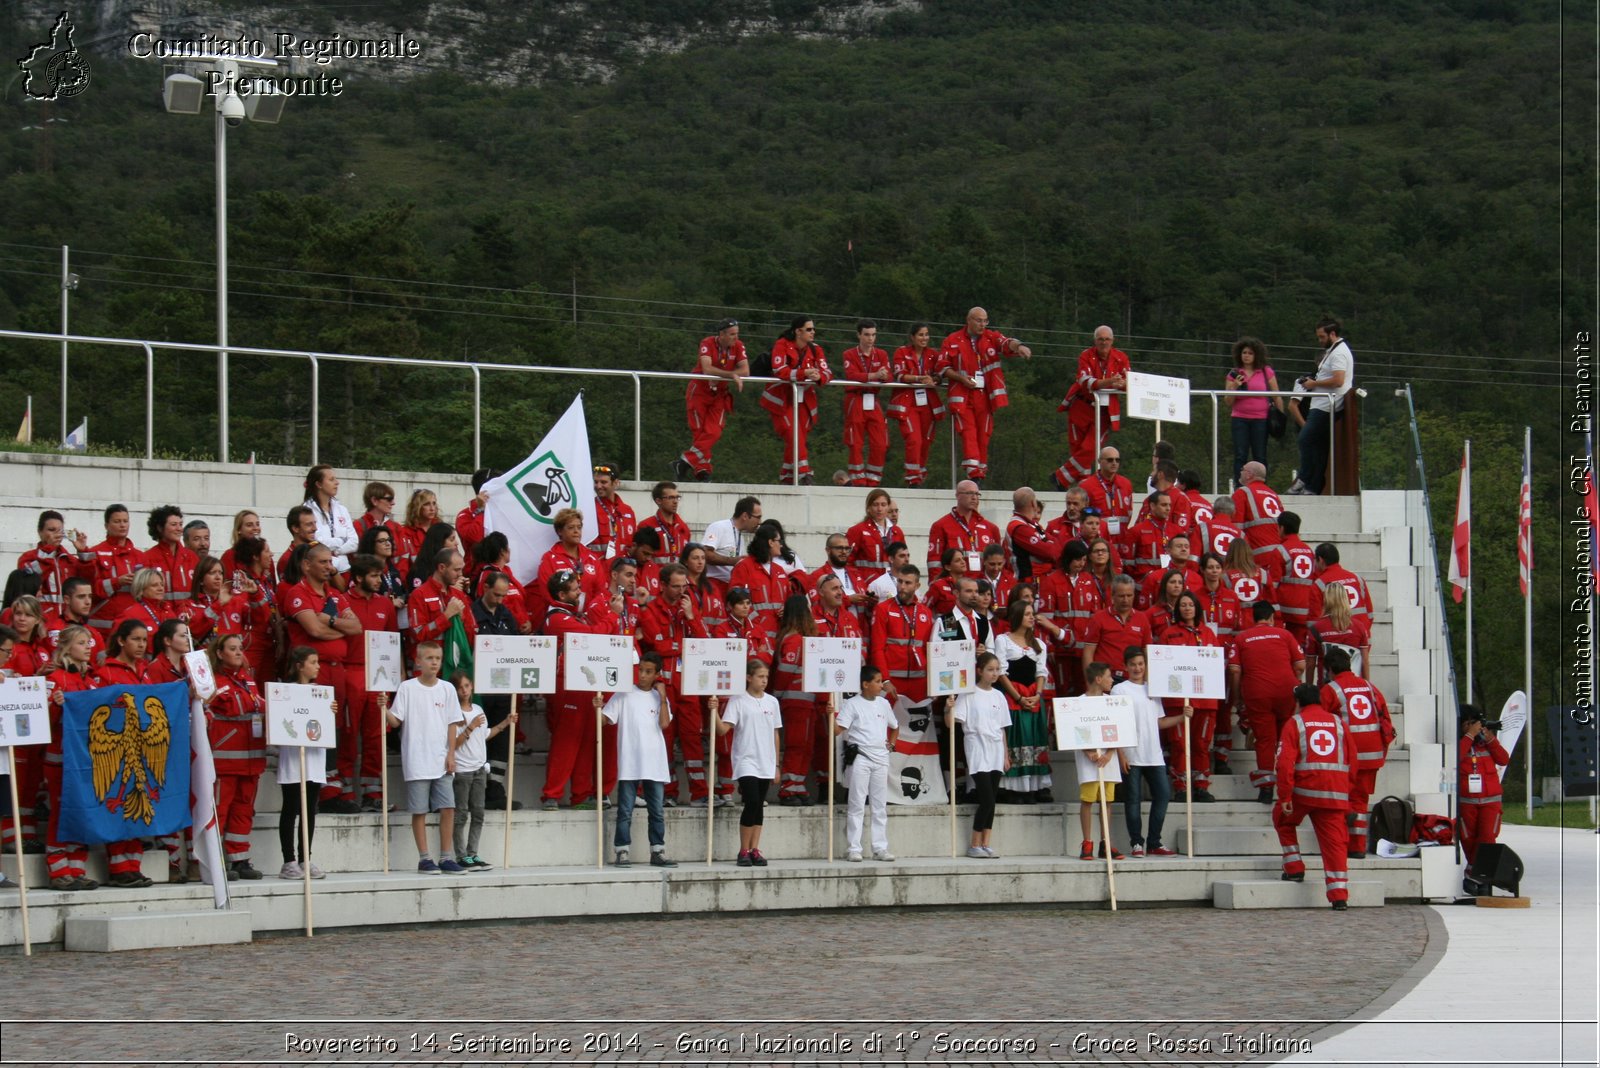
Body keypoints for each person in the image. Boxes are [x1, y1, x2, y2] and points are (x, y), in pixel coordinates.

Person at [385, 641, 466, 874]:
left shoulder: (447, 689)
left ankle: (446, 856)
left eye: (437, 658)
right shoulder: (407, 688)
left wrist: (451, 754)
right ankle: (424, 858)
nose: (434, 662)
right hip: (417, 758)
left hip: (441, 759)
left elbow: (453, 724)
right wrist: (383, 709)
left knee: (448, 807)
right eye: (429, 658)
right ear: (418, 661)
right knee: (419, 810)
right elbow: (395, 721)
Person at [1275, 684, 1354, 909]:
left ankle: (1294, 868)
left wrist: (1285, 796)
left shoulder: (1295, 723)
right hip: (1335, 793)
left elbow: (1285, 762)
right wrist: (1346, 790)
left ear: (1298, 702)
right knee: (1335, 844)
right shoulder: (1339, 723)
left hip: (1304, 792)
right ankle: (1339, 895)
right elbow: (1353, 759)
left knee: (1282, 818)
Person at [637, 563, 709, 805]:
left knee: (692, 740)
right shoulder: (651, 608)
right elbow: (655, 644)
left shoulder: (689, 606)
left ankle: (699, 793)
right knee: (664, 739)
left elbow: (702, 644)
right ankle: (668, 792)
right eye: (676, 586)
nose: (681, 591)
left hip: (688, 683)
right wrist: (681, 648)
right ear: (663, 585)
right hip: (663, 685)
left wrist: (690, 616)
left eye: (684, 586)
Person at [539, 570, 607, 809]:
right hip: (565, 683)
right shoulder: (557, 618)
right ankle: (552, 794)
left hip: (581, 681)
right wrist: (612, 617)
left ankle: (580, 794)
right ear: (561, 594)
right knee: (566, 740)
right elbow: (591, 636)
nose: (580, 592)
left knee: (586, 738)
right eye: (575, 589)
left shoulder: (570, 615)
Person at [604, 652, 678, 867]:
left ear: (657, 674)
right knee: (625, 810)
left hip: (654, 763)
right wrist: (598, 706)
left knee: (656, 811)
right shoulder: (623, 694)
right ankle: (622, 850)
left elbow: (664, 724)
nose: (643, 675)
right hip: (630, 761)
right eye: (640, 670)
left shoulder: (659, 698)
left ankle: (657, 851)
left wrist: (663, 697)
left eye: (648, 672)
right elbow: (605, 720)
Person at [941, 307, 1031, 483]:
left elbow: (1006, 343)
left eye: (985, 321)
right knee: (968, 433)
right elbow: (942, 367)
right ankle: (973, 475)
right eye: (979, 320)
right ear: (969, 320)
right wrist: (961, 378)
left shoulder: (991, 337)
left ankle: (980, 474)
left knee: (984, 434)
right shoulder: (952, 340)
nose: (982, 324)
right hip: (963, 395)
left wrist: (1019, 346)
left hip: (985, 396)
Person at [41, 625, 100, 888]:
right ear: (65, 647)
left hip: (87, 760)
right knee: (62, 813)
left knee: (83, 812)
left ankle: (76, 869)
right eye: (81, 642)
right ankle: (58, 870)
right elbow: (42, 723)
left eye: (89, 642)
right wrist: (55, 705)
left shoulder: (90, 680)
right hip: (61, 758)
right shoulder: (55, 678)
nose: (88, 646)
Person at [1229, 601, 1306, 803]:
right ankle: (1287, 787)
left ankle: (1266, 789)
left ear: (1253, 618)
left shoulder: (1242, 638)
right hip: (1286, 692)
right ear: (1272, 618)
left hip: (1257, 693)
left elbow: (1235, 670)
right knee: (1286, 740)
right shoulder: (1285, 634)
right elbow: (1300, 665)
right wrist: (1293, 682)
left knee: (1265, 741)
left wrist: (1237, 698)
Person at [1319, 647, 1393, 857]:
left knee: (1343, 800)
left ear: (1330, 670)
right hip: (1373, 755)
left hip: (1349, 756)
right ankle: (1358, 847)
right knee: (1360, 800)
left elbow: (1320, 721)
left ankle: (1342, 839)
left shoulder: (1331, 690)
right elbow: (1385, 717)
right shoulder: (1370, 687)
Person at [1113, 647, 1186, 857]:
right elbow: (1116, 723)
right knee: (1133, 799)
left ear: (1146, 666)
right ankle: (1136, 842)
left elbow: (1160, 722)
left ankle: (1155, 842)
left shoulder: (1153, 690)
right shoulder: (1120, 690)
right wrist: (1121, 753)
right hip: (1131, 753)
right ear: (1126, 666)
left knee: (1163, 795)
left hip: (1154, 754)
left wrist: (1182, 717)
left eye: (1141, 664)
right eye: (1133, 664)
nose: (1137, 668)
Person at [206, 633, 267, 880]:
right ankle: (215, 860)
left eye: (241, 648)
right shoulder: (212, 682)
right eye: (233, 648)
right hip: (226, 760)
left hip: (252, 761)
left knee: (244, 811)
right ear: (220, 654)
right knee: (220, 811)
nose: (239, 652)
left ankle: (239, 859)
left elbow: (261, 707)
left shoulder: (248, 681)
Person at [341, 554, 399, 811]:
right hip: (350, 672)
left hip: (378, 675)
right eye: (374, 576)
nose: (379, 580)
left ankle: (373, 793)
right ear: (359, 577)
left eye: (380, 575)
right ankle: (343, 792)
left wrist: (394, 678)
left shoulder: (385, 604)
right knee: (349, 734)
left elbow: (393, 640)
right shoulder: (342, 601)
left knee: (376, 737)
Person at [1158, 591, 1222, 802]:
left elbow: (1216, 665)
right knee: (1179, 743)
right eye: (1183, 605)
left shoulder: (1208, 633)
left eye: (1190, 604)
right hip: (1178, 701)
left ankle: (1201, 786)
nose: (1187, 608)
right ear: (1178, 609)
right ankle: (1181, 786)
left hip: (1205, 700)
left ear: (1197, 608)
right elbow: (1162, 665)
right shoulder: (1169, 633)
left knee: (1201, 744)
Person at [717, 658, 781, 866]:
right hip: (746, 759)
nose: (764, 681)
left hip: (766, 760)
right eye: (760, 677)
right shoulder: (738, 700)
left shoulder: (772, 701)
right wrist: (714, 712)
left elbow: (775, 733)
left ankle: (754, 849)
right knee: (752, 800)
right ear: (749, 677)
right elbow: (723, 729)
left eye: (766, 677)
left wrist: (777, 765)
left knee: (759, 805)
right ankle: (743, 850)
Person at [450, 671, 515, 870]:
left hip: (479, 769)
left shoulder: (478, 708)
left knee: (478, 813)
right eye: (461, 687)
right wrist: (470, 727)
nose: (464, 690)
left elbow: (485, 735)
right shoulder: (453, 712)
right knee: (461, 814)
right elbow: (453, 743)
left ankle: (473, 853)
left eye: (467, 686)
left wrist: (505, 723)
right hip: (462, 770)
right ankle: (461, 856)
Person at [276, 645, 330, 880]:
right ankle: (288, 860)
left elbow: (325, 725)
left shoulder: (321, 692)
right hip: (293, 758)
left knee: (310, 810)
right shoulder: (285, 691)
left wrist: (331, 711)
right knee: (291, 808)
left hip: (315, 758)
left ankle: (305, 857)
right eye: (313, 662)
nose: (317, 666)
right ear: (300, 666)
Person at [948, 652, 1010, 858]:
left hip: (996, 748)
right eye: (990, 670)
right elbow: (952, 723)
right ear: (980, 670)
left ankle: (985, 842)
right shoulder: (968, 694)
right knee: (987, 799)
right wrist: (949, 708)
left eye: (997, 670)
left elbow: (1002, 728)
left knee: (993, 797)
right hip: (976, 746)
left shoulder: (999, 696)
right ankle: (974, 844)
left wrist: (1006, 755)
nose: (994, 674)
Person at [1054, 325, 1131, 489]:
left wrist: (1120, 383)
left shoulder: (1121, 358)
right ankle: (1084, 487)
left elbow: (1130, 383)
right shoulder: (1086, 355)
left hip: (1105, 411)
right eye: (1100, 339)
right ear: (1095, 340)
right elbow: (1085, 381)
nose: (1104, 343)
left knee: (1091, 448)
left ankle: (1061, 477)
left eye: (1107, 339)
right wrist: (1110, 382)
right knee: (1078, 448)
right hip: (1081, 406)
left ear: (1112, 340)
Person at [759, 315, 833, 485]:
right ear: (797, 331)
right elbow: (780, 370)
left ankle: (787, 475)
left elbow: (827, 372)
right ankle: (805, 473)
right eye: (809, 329)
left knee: (797, 437)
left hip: (803, 399)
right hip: (781, 398)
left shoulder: (815, 349)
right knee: (793, 433)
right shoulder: (782, 345)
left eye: (813, 329)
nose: (813, 332)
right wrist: (804, 373)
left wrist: (818, 376)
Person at [836, 665, 898, 863]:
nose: (881, 685)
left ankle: (880, 847)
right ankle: (854, 847)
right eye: (878, 681)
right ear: (865, 684)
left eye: (881, 681)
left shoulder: (883, 704)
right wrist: (829, 715)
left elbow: (895, 726)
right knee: (857, 804)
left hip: (881, 758)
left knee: (879, 805)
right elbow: (837, 730)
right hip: (861, 756)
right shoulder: (852, 704)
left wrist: (892, 744)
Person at [677, 317, 749, 481]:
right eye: (732, 334)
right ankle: (703, 471)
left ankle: (685, 461)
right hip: (700, 391)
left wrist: (729, 375)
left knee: (714, 432)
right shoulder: (708, 343)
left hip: (720, 393)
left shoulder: (738, 345)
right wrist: (731, 374)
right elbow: (706, 368)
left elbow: (745, 370)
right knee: (700, 432)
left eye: (737, 334)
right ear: (721, 334)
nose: (735, 337)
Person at [994, 600, 1051, 802]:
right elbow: (1001, 672)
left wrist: (1038, 695)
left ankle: (1035, 786)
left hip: (1033, 696)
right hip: (1013, 695)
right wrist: (1018, 697)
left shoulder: (1039, 645)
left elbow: (1041, 673)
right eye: (1027, 614)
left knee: (1035, 738)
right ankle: (1014, 787)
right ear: (1018, 616)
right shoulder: (1003, 641)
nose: (1032, 617)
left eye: (1032, 614)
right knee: (1017, 736)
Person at [1290, 317, 1354, 496]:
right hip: (1321, 404)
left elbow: (1338, 380)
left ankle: (1304, 478)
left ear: (1332, 334)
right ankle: (1312, 485)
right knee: (1316, 445)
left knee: (1305, 439)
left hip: (1326, 406)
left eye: (1322, 336)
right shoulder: (1333, 351)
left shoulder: (1339, 353)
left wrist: (1313, 384)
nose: (1320, 341)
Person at [771, 593, 820, 805]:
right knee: (797, 744)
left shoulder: (800, 638)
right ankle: (789, 787)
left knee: (806, 745)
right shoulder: (794, 640)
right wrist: (778, 696)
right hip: (795, 700)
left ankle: (797, 785)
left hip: (805, 700)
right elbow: (786, 670)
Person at [1075, 662, 1125, 861]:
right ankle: (1087, 842)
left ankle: (1106, 843)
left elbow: (1118, 728)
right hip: (1089, 760)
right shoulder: (1079, 702)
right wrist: (1087, 750)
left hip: (1107, 759)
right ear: (1098, 679)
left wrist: (1110, 753)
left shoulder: (1111, 702)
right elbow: (1074, 728)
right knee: (1088, 800)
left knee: (1107, 802)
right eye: (1108, 676)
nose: (1112, 680)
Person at [888, 322, 945, 486]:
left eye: (926, 335)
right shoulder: (902, 352)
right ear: (912, 337)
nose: (924, 338)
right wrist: (920, 379)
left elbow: (941, 374)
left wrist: (934, 379)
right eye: (921, 335)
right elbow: (899, 375)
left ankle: (920, 473)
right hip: (908, 403)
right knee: (914, 440)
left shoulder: (933, 355)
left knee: (926, 440)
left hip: (928, 403)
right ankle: (912, 477)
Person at [1224, 337, 1286, 483]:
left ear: (1256, 355)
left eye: (1250, 353)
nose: (1246, 355)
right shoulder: (1234, 373)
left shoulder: (1266, 372)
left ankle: (1261, 485)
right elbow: (1228, 401)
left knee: (1260, 454)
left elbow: (1276, 395)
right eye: (1244, 352)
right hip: (1240, 418)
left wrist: (1280, 417)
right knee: (1240, 454)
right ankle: (1240, 486)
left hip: (1261, 418)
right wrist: (1234, 386)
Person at [840, 318, 892, 486]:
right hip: (855, 399)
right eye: (867, 335)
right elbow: (852, 375)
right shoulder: (849, 354)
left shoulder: (882, 354)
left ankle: (873, 480)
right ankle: (858, 480)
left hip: (872, 399)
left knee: (881, 442)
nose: (870, 338)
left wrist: (883, 376)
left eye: (873, 335)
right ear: (859, 335)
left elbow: (889, 375)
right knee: (855, 442)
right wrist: (874, 376)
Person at [1457, 705, 1509, 866]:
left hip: (1490, 801)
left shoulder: (1486, 743)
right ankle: (1475, 871)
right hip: (1467, 802)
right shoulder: (1460, 743)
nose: (1475, 727)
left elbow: (1503, 759)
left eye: (1476, 723)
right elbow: (1455, 758)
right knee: (1468, 839)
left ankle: (1479, 872)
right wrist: (1469, 736)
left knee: (1487, 837)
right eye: (1470, 723)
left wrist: (1491, 739)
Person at [535, 508, 608, 615]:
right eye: (571, 527)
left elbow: (601, 591)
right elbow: (547, 594)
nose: (576, 531)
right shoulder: (549, 559)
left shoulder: (592, 557)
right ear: (560, 531)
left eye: (579, 527)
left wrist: (591, 614)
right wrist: (569, 616)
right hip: (562, 617)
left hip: (590, 618)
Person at [407, 548, 474, 663]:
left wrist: (461, 618)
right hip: (429, 668)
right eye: (456, 570)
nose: (460, 574)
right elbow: (418, 634)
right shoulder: (419, 595)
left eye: (461, 570)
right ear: (442, 568)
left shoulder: (459, 595)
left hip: (455, 665)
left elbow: (471, 633)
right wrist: (446, 616)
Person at [83, 503, 142, 634]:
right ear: (106, 525)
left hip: (131, 625)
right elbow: (89, 589)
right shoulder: (95, 553)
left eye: (125, 521)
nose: (122, 525)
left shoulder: (140, 556)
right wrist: (117, 582)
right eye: (117, 521)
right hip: (101, 626)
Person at [926, 481, 1003, 580]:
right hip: (956, 587)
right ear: (957, 496)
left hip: (983, 588)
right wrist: (939, 587)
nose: (974, 497)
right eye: (969, 493)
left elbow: (999, 561)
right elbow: (934, 563)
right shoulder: (941, 526)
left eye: (976, 494)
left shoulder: (991, 528)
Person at [1081, 575, 1150, 683]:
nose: (1125, 600)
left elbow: (1147, 653)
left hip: (1132, 679)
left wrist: (1146, 682)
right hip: (1105, 680)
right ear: (1112, 596)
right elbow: (1088, 653)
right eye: (1121, 596)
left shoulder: (1142, 618)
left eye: (1129, 595)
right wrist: (1091, 683)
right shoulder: (1098, 618)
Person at [727, 523, 790, 633]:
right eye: (779, 541)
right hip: (755, 636)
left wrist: (787, 610)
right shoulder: (744, 567)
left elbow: (789, 598)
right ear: (770, 542)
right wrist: (756, 625)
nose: (781, 545)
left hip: (779, 636)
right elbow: (735, 600)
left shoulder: (780, 571)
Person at [1303, 583, 1371, 685]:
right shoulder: (1359, 627)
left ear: (1326, 600)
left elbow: (1310, 664)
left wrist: (1309, 688)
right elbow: (1365, 661)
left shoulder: (1316, 628)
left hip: (1327, 687)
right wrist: (1367, 687)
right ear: (1345, 599)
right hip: (1353, 687)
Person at [1231, 461, 1286, 582]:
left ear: (1249, 475)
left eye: (1242, 469)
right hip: (1278, 555)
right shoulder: (1273, 495)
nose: (1240, 472)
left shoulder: (1242, 493)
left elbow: (1235, 529)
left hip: (1257, 556)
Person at [16, 510, 80, 611]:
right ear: (40, 532)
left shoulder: (70, 560)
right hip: (41, 617)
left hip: (67, 620)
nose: (56, 534)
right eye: (51, 530)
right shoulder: (27, 558)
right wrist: (48, 550)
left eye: (60, 531)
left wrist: (83, 551)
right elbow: (29, 582)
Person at [302, 464, 359, 577]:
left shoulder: (342, 509)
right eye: (331, 479)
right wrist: (342, 540)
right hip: (321, 571)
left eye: (336, 479)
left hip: (344, 569)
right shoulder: (307, 510)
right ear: (319, 484)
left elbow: (354, 542)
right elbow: (317, 542)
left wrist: (337, 551)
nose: (337, 482)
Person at [1274, 511, 1319, 644]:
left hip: (1285, 612)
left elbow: (1273, 585)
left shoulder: (1280, 550)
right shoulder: (1309, 551)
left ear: (1281, 528)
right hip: (1306, 609)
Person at [143, 504, 199, 610]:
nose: (179, 529)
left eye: (180, 524)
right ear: (160, 528)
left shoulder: (191, 557)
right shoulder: (148, 558)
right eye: (174, 524)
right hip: (161, 617)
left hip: (189, 617)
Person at [1007, 487, 1067, 584]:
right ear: (1033, 503)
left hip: (1040, 579)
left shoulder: (1032, 524)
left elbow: (1056, 545)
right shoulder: (1019, 527)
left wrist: (1049, 544)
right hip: (1027, 582)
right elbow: (1050, 552)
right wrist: (1049, 544)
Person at [701, 496, 762, 584]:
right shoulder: (719, 527)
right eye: (758, 517)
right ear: (745, 516)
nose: (760, 522)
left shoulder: (740, 535)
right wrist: (732, 561)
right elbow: (705, 554)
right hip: (714, 585)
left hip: (731, 586)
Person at [1079, 448, 1134, 543]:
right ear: (1099, 461)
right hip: (1098, 541)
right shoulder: (1086, 486)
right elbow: (1081, 516)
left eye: (1117, 460)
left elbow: (1129, 513)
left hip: (1122, 540)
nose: (1114, 463)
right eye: (1110, 460)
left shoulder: (1126, 484)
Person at [1312, 543, 1374, 626]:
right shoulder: (1357, 579)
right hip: (1361, 633)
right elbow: (1369, 612)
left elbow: (1314, 619)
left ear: (1320, 560)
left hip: (1335, 636)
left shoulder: (1319, 584)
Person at [714, 588, 773, 666]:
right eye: (741, 603)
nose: (746, 607)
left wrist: (746, 657)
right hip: (732, 673)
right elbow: (725, 658)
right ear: (730, 606)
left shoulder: (758, 629)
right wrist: (757, 655)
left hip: (755, 675)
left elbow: (770, 655)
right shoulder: (721, 629)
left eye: (748, 603)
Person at [590, 463, 637, 561]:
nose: (598, 486)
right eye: (596, 482)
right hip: (600, 569)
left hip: (624, 569)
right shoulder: (589, 509)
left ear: (616, 483)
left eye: (603, 482)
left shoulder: (628, 511)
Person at [639, 481, 693, 560]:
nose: (675, 501)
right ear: (658, 501)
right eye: (671, 498)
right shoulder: (646, 525)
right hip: (655, 572)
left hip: (679, 572)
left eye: (677, 497)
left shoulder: (683, 528)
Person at [453, 469, 496, 567]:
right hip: (475, 574)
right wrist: (481, 510)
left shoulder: (501, 511)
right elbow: (476, 538)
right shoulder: (464, 515)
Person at [396, 490, 441, 575]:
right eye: (427, 504)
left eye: (434, 503)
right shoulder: (405, 533)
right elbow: (402, 566)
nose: (432, 508)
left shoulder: (442, 530)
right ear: (417, 507)